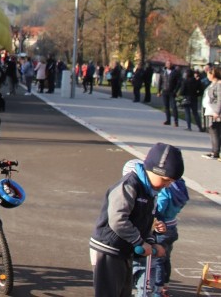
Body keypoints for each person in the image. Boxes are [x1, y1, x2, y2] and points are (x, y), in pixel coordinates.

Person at [89, 142, 184, 297]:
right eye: (166, 180)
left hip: (125, 250)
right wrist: (139, 242)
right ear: (153, 170)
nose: (167, 185)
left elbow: (145, 223)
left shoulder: (151, 192)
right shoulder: (129, 185)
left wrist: (152, 242)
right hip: (109, 248)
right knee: (108, 292)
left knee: (123, 292)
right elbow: (118, 219)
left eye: (171, 182)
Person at [131, 172, 188, 297]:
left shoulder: (164, 191)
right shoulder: (180, 186)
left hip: (160, 226)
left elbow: (159, 208)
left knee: (156, 262)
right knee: (165, 258)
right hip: (171, 225)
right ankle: (164, 285)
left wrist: (156, 216)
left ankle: (157, 289)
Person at [201, 66, 221, 160]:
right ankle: (214, 150)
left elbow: (220, 99)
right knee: (212, 131)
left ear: (213, 74)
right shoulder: (212, 84)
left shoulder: (219, 84)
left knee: (215, 131)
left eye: (209, 73)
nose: (207, 75)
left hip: (215, 112)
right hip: (209, 110)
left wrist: (217, 111)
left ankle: (216, 152)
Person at [158, 61, 182, 126]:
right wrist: (159, 91)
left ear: (172, 64)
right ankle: (168, 120)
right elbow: (160, 82)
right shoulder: (163, 72)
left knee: (174, 107)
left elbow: (179, 83)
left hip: (172, 92)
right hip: (164, 91)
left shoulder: (175, 72)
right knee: (166, 107)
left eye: (170, 64)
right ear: (165, 65)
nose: (168, 65)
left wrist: (176, 91)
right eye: (167, 64)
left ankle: (176, 121)